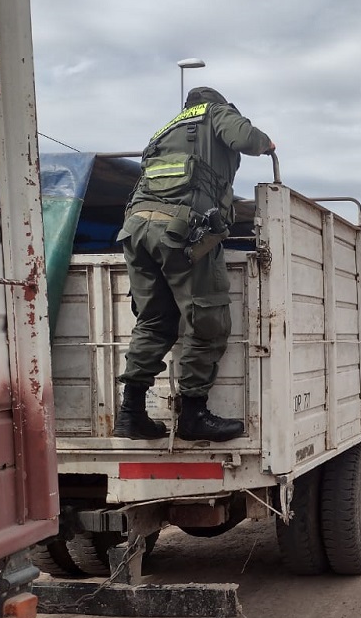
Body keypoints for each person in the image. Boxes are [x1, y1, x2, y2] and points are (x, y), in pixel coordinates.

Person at [113, 86, 274, 442]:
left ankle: (131, 413)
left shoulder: (164, 130)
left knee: (154, 321)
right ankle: (193, 415)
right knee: (207, 320)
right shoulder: (215, 113)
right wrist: (266, 143)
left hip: (136, 230)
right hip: (181, 230)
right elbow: (245, 138)